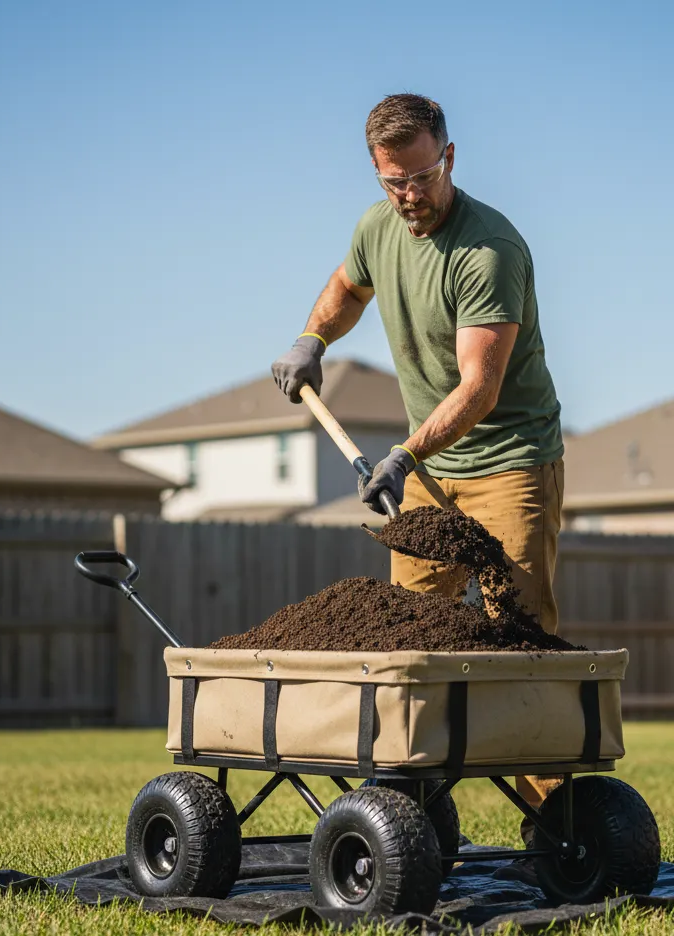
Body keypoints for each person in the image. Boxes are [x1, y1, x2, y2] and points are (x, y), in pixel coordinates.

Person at [271, 93, 565, 838]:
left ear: (450, 159)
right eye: (391, 182)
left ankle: (555, 824)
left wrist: (403, 452)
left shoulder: (487, 250)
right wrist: (313, 338)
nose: (408, 197)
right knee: (409, 639)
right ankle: (420, 816)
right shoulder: (378, 227)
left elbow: (480, 387)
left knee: (518, 635)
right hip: (429, 472)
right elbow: (347, 285)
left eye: (421, 178)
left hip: (508, 463)